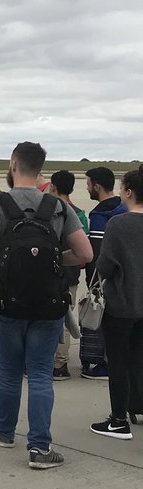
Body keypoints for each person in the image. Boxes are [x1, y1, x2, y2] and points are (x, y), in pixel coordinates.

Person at [0, 141, 92, 470]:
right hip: (49, 304)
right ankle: (39, 448)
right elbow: (85, 255)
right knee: (39, 374)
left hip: (8, 302)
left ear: (12, 163)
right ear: (41, 169)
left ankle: (4, 431)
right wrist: (54, 260)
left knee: (9, 370)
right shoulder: (58, 207)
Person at [89, 167, 143, 440]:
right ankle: (138, 406)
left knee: (118, 362)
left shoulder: (118, 224)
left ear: (130, 192)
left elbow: (106, 266)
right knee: (139, 358)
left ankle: (118, 420)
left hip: (122, 304)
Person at [83, 166, 129, 379]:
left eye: (88, 183)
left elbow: (97, 254)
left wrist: (93, 283)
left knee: (104, 323)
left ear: (97, 186)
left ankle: (105, 364)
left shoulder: (101, 216)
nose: (87, 187)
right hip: (127, 277)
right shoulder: (124, 209)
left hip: (106, 280)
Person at [48, 169, 89, 380]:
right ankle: (60, 361)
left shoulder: (48, 212)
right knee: (67, 315)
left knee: (52, 319)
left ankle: (58, 364)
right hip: (72, 275)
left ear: (53, 186)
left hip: (51, 274)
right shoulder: (80, 213)